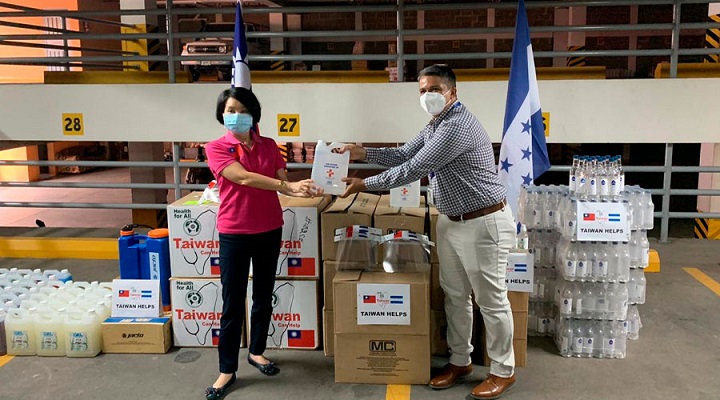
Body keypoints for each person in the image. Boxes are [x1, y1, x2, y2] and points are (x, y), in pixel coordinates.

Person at [339, 64, 517, 400]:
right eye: (422, 91)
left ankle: (503, 371)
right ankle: (461, 360)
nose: (428, 96)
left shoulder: (457, 126)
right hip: (451, 221)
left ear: (452, 93)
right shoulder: (436, 124)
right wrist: (362, 152)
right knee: (455, 295)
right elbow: (404, 153)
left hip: (483, 222)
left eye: (434, 89)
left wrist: (365, 184)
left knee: (491, 301)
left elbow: (415, 167)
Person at [204, 87, 320, 400]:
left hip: (270, 228)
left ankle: (256, 352)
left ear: (254, 114)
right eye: (231, 110)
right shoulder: (216, 147)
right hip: (235, 232)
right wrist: (287, 185)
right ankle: (226, 370)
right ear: (222, 115)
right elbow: (242, 177)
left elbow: (284, 182)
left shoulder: (269, 145)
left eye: (243, 111)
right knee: (232, 303)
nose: (237, 116)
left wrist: (307, 187)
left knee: (264, 296)